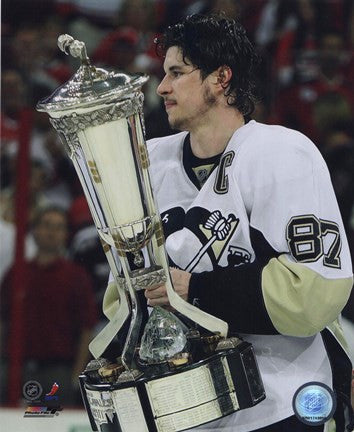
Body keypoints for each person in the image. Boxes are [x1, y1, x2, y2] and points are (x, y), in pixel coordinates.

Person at [139, 13, 353, 432]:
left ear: (221, 79)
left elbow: (311, 292)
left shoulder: (283, 154)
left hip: (282, 402)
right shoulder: (149, 163)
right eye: (163, 73)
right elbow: (125, 295)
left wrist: (195, 289)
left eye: (177, 72)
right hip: (185, 409)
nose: (162, 87)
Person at [0, 206, 98, 405]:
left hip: (58, 370)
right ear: (34, 230)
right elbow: (2, 320)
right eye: (46, 225)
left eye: (58, 227)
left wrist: (76, 374)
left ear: (66, 235)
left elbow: (87, 329)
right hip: (14, 367)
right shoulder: (16, 273)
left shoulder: (76, 276)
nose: (52, 232)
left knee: (52, 423)